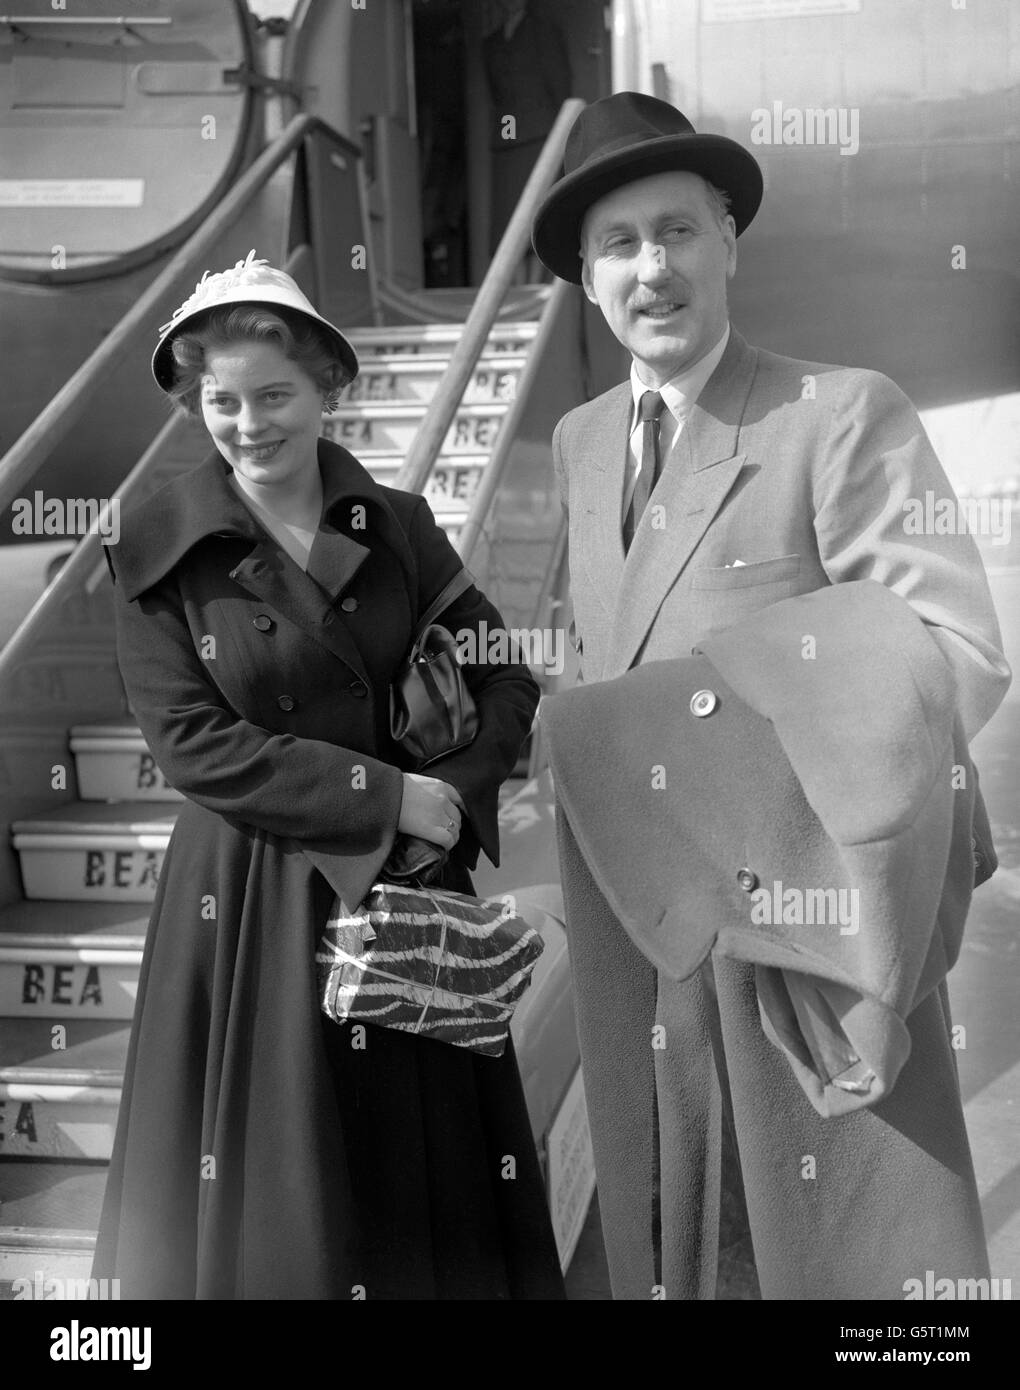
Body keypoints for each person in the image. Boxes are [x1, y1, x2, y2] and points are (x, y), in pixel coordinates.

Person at [531, 93, 1011, 1299]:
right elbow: (598, 656)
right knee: (666, 1237)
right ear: (589, 281)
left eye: (679, 231)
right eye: (619, 245)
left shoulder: (839, 413)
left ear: (731, 241)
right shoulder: (582, 442)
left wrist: (737, 784)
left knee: (835, 1260)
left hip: (801, 932)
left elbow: (953, 652)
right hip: (641, 944)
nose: (653, 268)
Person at [92, 252, 565, 1300]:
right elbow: (191, 743)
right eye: (222, 401)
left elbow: (504, 678)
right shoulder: (153, 547)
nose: (250, 423)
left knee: (414, 1182)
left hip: (405, 894)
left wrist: (449, 799)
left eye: (274, 396)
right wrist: (384, 795)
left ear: (326, 391)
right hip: (252, 898)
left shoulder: (396, 525)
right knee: (280, 1183)